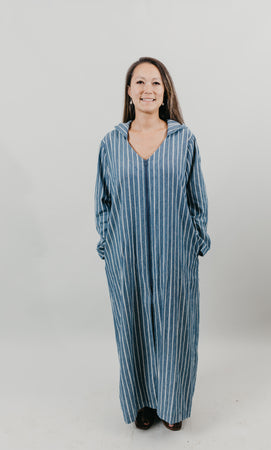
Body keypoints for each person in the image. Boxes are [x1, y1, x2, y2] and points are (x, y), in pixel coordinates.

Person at [94, 56, 211, 431]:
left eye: (155, 83)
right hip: (126, 257)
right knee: (132, 327)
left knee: (175, 327)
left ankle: (172, 405)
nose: (148, 89)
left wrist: (193, 242)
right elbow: (103, 202)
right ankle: (143, 403)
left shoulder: (184, 140)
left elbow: (197, 201)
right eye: (139, 82)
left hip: (173, 257)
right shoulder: (111, 143)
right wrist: (109, 246)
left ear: (165, 91)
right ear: (129, 92)